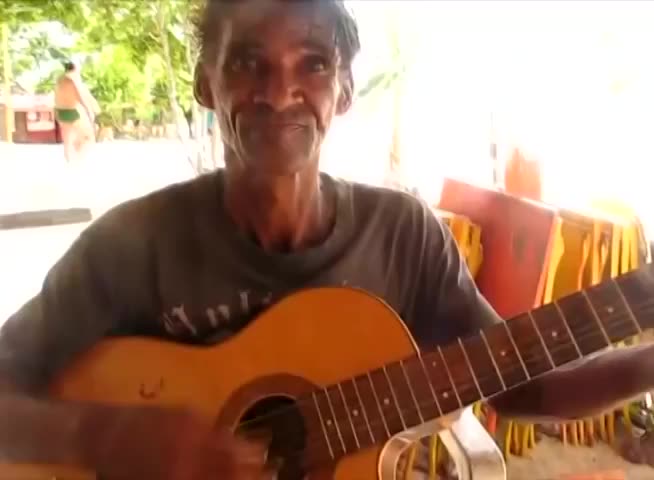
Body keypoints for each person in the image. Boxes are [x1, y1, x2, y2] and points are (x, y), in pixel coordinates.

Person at [1, 1, 653, 478]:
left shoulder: (403, 236)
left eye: (312, 64)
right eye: (247, 62)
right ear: (205, 83)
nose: (279, 90)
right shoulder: (131, 244)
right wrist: (101, 435)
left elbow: (520, 387)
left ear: (343, 92)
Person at [53, 60, 100, 163]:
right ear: (75, 68)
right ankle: (76, 159)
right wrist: (89, 112)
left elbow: (57, 97)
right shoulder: (73, 79)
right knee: (85, 136)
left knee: (68, 140)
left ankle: (70, 159)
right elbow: (81, 97)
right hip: (72, 112)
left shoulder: (60, 79)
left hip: (60, 111)